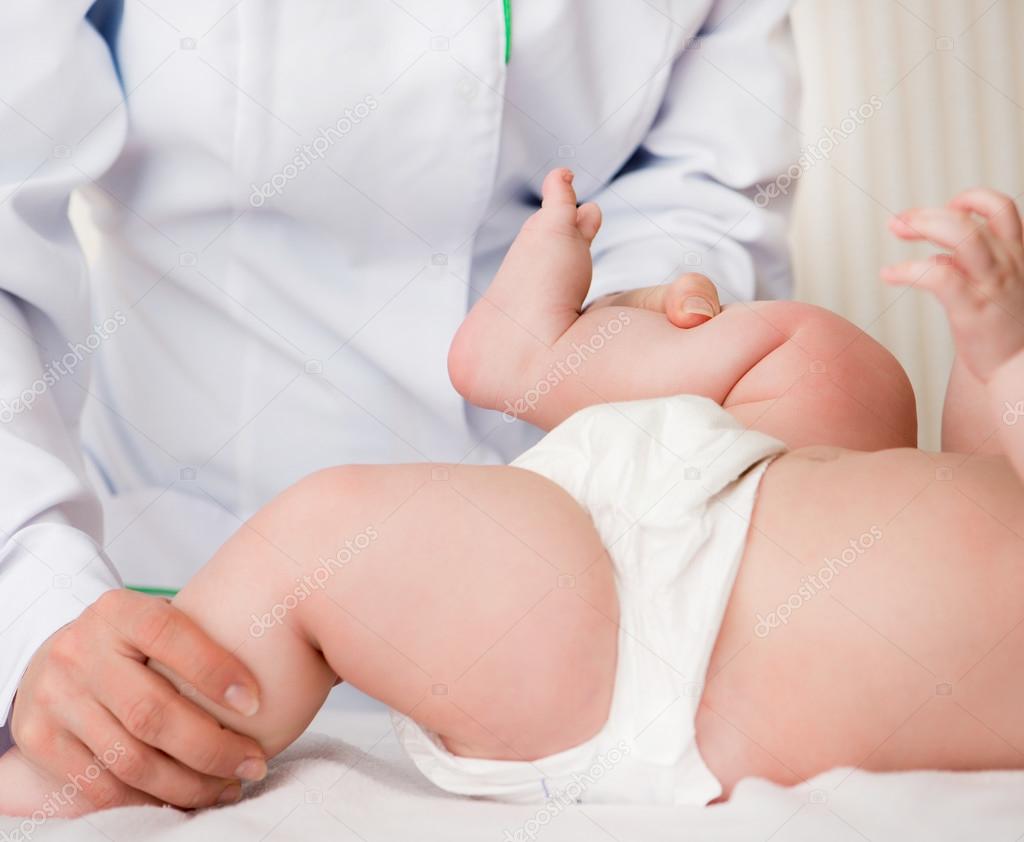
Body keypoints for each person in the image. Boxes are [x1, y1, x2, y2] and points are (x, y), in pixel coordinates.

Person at [2, 170, 1020, 814]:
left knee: (329, 536)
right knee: (846, 370)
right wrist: (990, 355)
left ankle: (57, 775)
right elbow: (987, 481)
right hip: (736, 465)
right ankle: (540, 358)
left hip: (643, 644)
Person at [0, 0, 800, 811]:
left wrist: (626, 329)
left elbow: (704, 189)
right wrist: (33, 605)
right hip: (192, 595)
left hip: (594, 614)